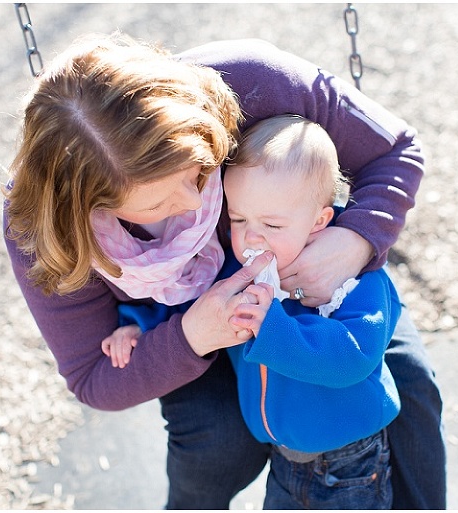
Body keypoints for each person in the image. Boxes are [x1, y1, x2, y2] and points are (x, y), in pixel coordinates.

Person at [3, 32, 446, 509]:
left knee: (411, 384)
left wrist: (354, 241)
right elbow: (93, 376)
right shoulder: (43, 226)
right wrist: (185, 334)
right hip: (185, 325)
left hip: (315, 278)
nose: (198, 204)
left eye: (198, 170)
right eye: (159, 201)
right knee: (216, 442)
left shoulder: (254, 83)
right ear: (92, 206)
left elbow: (396, 150)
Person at [107, 115, 403, 509]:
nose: (252, 236)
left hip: (348, 462)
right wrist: (139, 328)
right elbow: (194, 305)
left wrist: (274, 327)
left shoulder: (354, 280)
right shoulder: (237, 271)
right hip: (285, 459)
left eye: (272, 224)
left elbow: (352, 358)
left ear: (319, 221)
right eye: (239, 219)